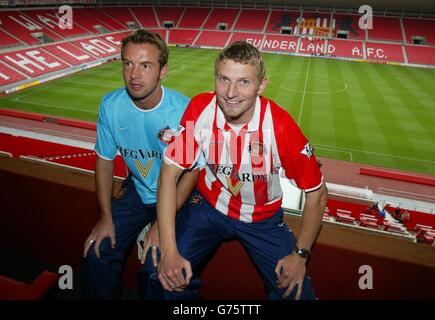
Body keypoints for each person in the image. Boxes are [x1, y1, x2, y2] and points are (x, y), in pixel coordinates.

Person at [149, 41, 328, 300]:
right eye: (224, 79)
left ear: (261, 85)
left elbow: (317, 194)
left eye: (244, 82)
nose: (231, 92)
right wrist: (168, 251)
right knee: (160, 276)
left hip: (262, 220)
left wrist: (300, 255)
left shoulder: (280, 127)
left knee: (298, 295)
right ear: (215, 79)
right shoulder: (201, 108)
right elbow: (168, 174)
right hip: (209, 209)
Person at [81, 29, 198, 299]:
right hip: (138, 189)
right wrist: (105, 218)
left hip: (178, 193)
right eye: (128, 63)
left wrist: (160, 224)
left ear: (163, 71)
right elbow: (105, 161)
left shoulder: (182, 110)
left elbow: (192, 173)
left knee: (158, 270)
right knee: (97, 252)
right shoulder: (110, 105)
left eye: (146, 66)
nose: (134, 75)